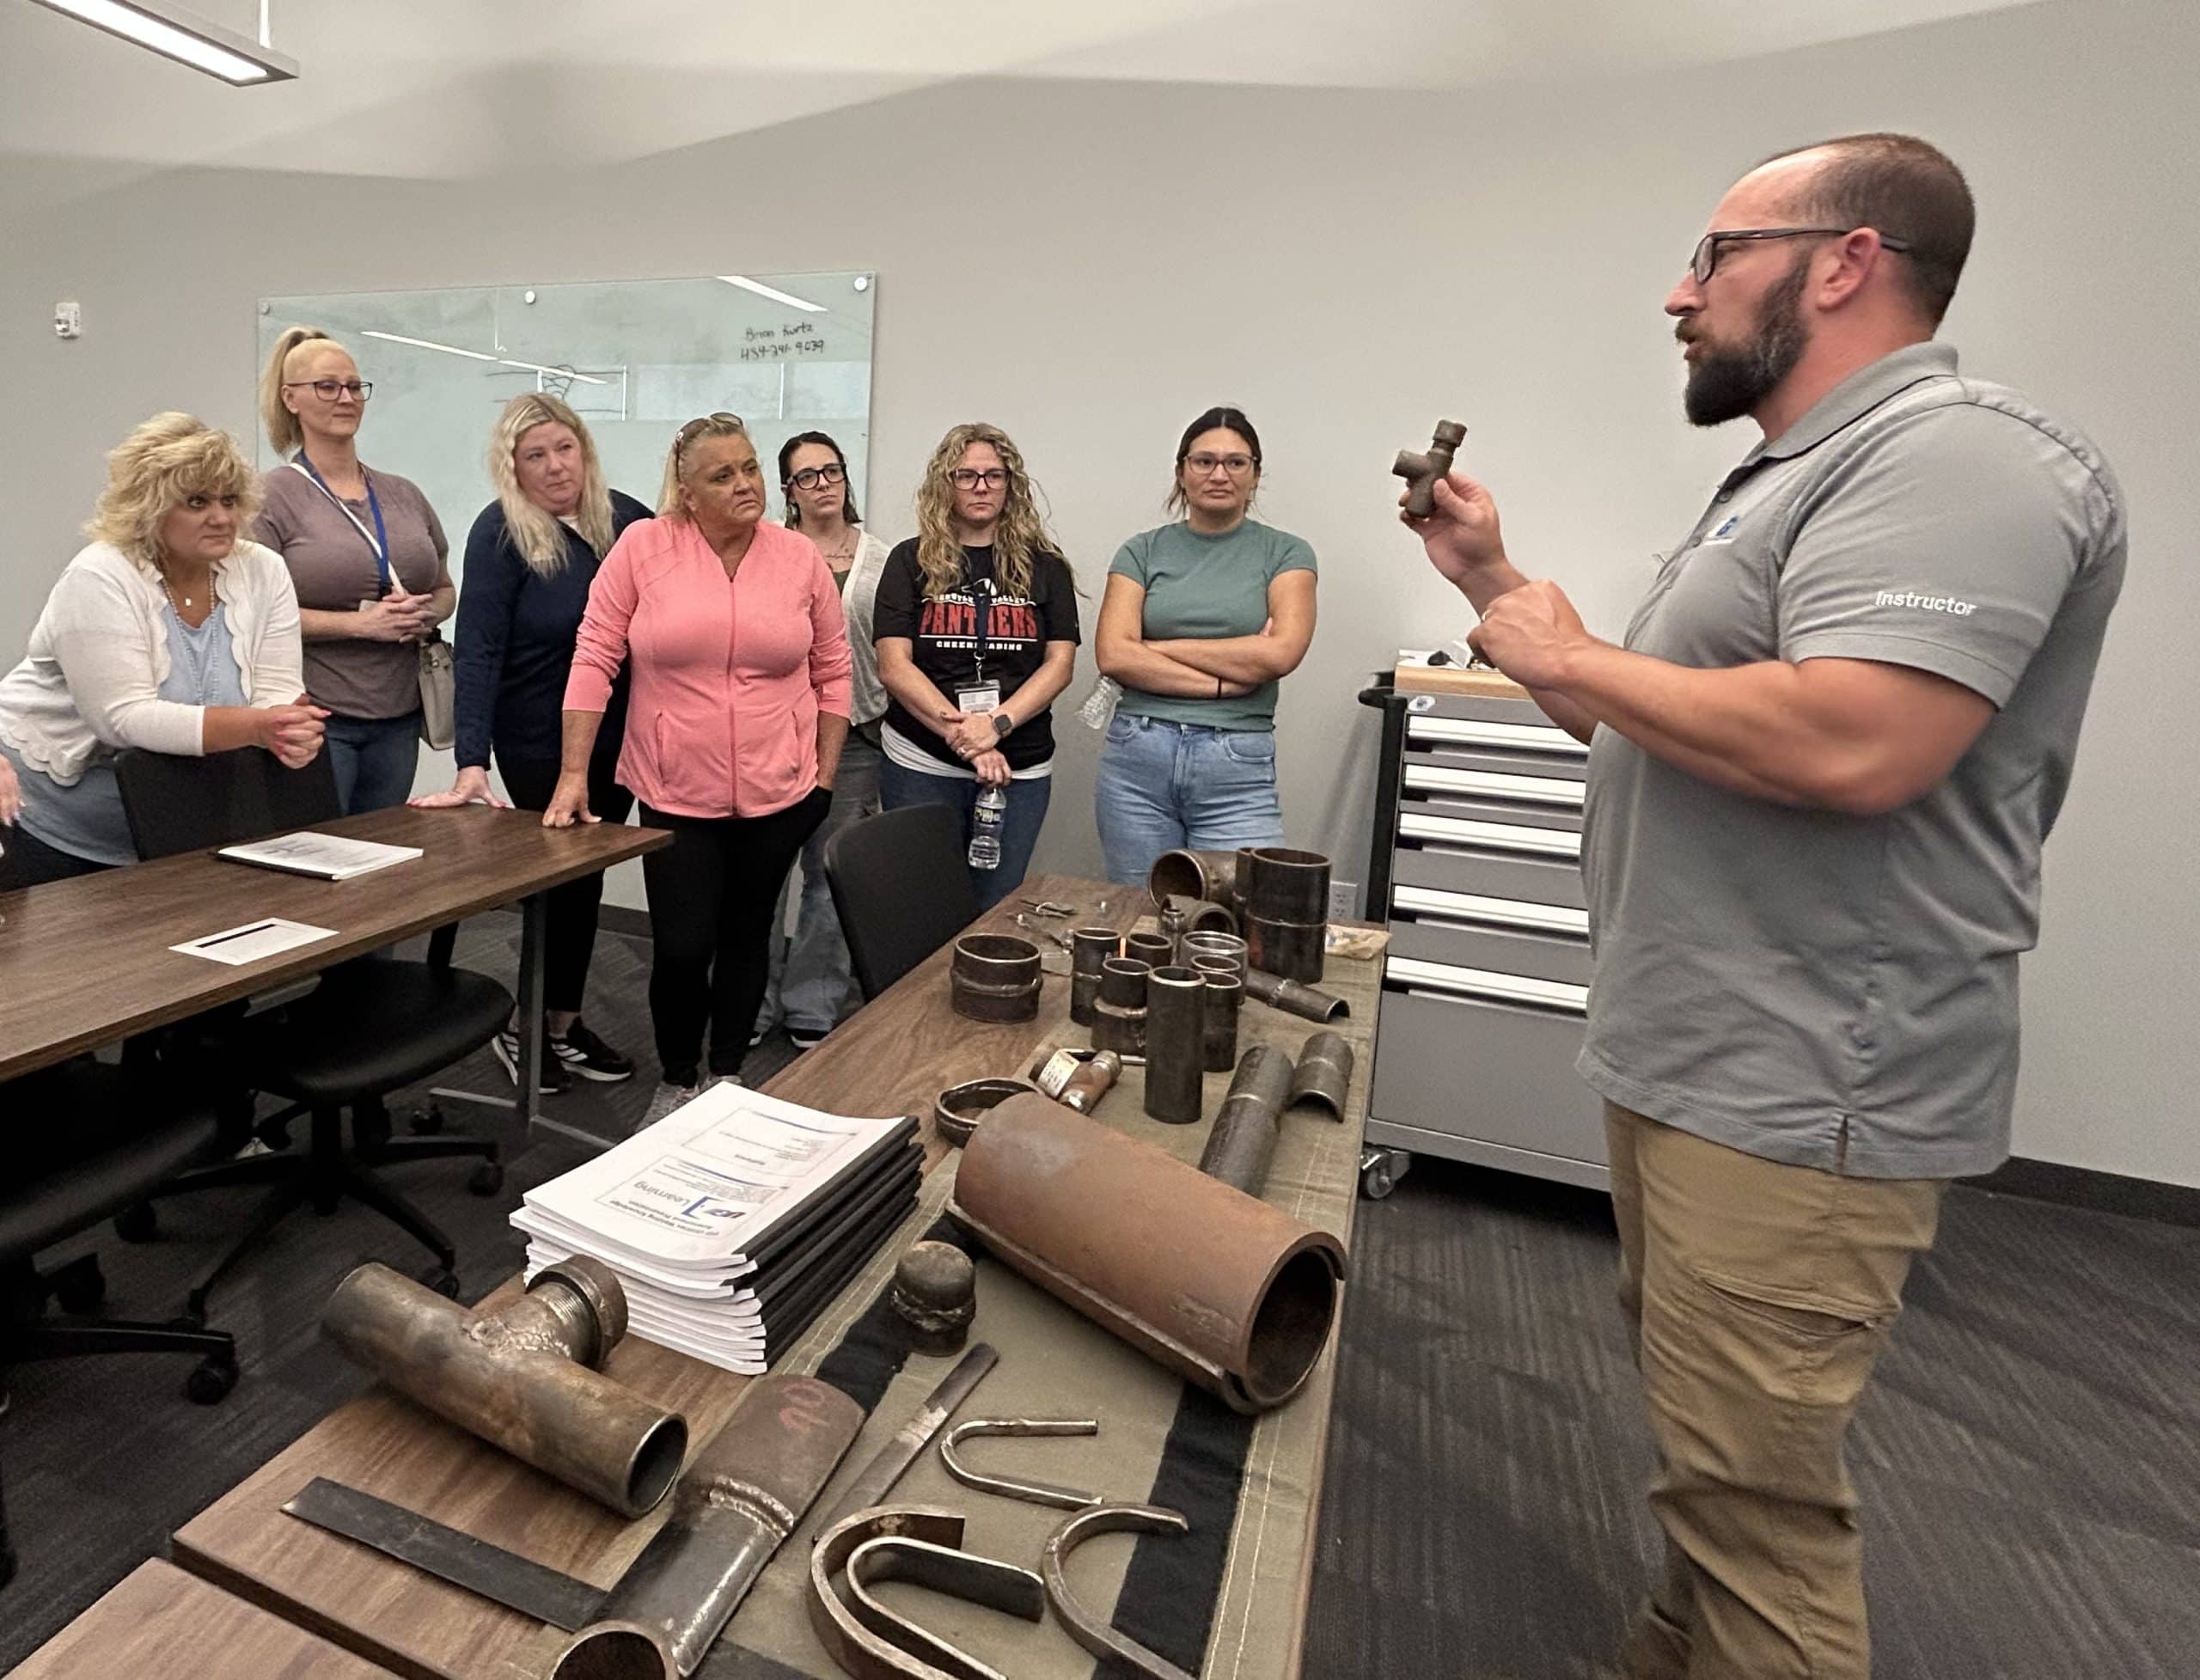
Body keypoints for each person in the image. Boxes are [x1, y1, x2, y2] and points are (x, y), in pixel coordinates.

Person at [1406, 133, 2124, 1680]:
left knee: (1759, 1516)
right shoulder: (1798, 473)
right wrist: (1494, 586)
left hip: (1804, 1081)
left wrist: (1567, 655)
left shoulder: (1962, 458)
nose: (1682, 293)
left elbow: (1859, 743)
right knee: (1712, 1467)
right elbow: (1673, 725)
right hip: (1706, 1054)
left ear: (1845, 260)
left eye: (1717, 254)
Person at [547, 413, 852, 1127]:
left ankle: (727, 1074)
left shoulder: (797, 557)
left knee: (750, 938)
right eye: (724, 475)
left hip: (781, 790)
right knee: (683, 947)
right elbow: (595, 656)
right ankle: (677, 1076)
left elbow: (834, 672)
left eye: (749, 468)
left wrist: (824, 778)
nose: (746, 484)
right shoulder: (644, 548)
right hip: (676, 787)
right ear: (687, 492)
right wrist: (573, 774)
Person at [412, 394, 652, 1093]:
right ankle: (527, 1025)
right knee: (562, 882)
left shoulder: (628, 519)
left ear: (585, 449)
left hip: (617, 732)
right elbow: (479, 650)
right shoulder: (501, 534)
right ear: (513, 467)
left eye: (564, 449)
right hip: (538, 738)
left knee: (589, 876)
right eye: (535, 455)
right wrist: (470, 761)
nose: (554, 467)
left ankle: (562, 1024)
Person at [0, 413, 324, 889]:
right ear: (149, 508)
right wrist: (259, 728)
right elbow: (124, 718)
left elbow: (277, 690)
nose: (221, 517)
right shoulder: (100, 575)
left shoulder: (264, 570)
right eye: (196, 502)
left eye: (230, 500)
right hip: (48, 817)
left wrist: (287, 732)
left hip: (173, 825)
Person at [1092, 406, 1317, 885]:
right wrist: (1222, 683)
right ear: (1181, 472)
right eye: (1204, 461)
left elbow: (1280, 655)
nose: (1220, 474)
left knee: (1240, 917)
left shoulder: (1287, 553)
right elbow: (1112, 655)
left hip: (1235, 764)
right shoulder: (1141, 551)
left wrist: (1156, 647)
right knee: (1143, 915)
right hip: (1138, 758)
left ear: (1256, 474)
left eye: (1236, 462)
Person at [872, 423, 1079, 910]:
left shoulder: (1045, 566)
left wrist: (997, 724)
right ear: (946, 484)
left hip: (1019, 766)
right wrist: (967, 736)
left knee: (995, 908)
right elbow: (894, 666)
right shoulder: (909, 560)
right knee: (920, 907)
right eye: (966, 475)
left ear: (1012, 485)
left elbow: (1060, 664)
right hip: (923, 761)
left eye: (994, 475)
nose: (981, 486)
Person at [253, 327, 454, 814]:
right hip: (319, 718)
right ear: (291, 399)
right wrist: (359, 625)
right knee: (322, 861)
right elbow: (251, 615)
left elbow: (445, 588)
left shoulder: (403, 493)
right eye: (327, 386)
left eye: (354, 386)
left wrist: (423, 613)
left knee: (381, 862)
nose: (345, 398)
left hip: (400, 716)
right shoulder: (270, 496)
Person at [755, 431, 893, 1049]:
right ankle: (751, 1003)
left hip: (856, 737)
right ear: (788, 491)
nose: (822, 484)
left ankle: (811, 1003)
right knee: (760, 880)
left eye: (830, 470)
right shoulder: (765, 554)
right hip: (773, 738)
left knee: (828, 879)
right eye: (805, 476)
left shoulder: (884, 559)